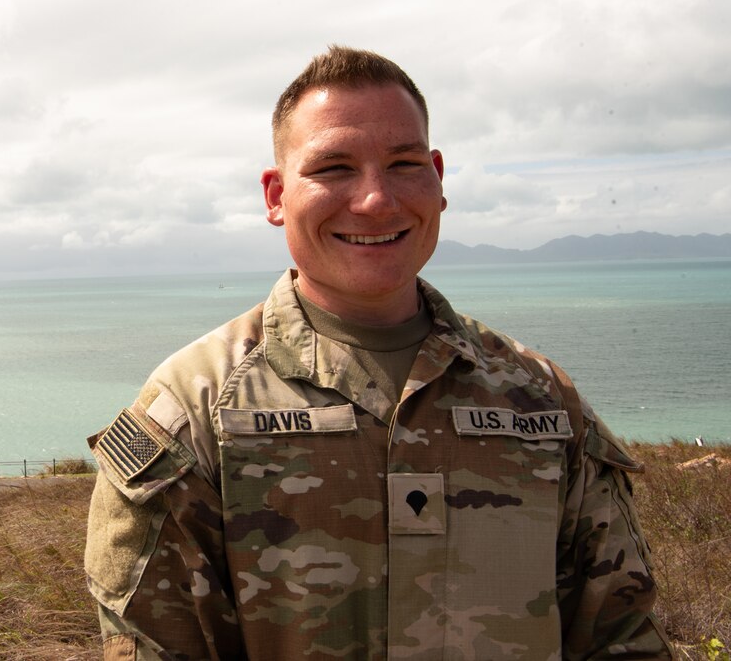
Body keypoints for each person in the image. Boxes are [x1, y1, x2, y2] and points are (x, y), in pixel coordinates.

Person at [84, 46, 674, 660]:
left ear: (438, 179)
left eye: (404, 163)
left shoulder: (541, 399)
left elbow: (619, 635)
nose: (375, 200)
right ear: (276, 194)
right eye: (333, 168)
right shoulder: (195, 409)